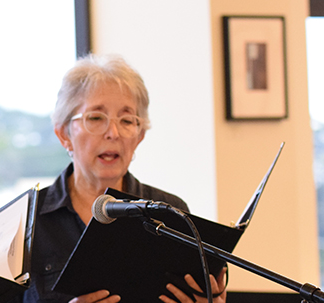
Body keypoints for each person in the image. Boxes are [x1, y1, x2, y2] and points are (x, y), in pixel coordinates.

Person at [16, 54, 226, 303]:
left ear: (139, 137)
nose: (113, 133)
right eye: (96, 118)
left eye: (127, 120)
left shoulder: (170, 212)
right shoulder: (26, 220)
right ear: (64, 134)